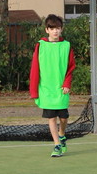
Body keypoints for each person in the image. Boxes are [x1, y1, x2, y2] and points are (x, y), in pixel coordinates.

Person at [30, 14, 76, 157]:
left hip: (61, 88)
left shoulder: (67, 45)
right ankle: (57, 145)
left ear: (61, 29)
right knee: (51, 118)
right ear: (47, 30)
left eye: (58, 28)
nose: (55, 31)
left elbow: (71, 67)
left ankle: (62, 134)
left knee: (63, 118)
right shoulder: (40, 45)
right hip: (46, 88)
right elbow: (35, 67)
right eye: (52, 28)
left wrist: (67, 83)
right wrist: (34, 90)